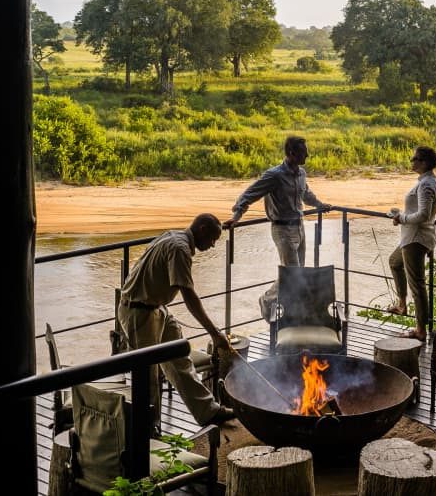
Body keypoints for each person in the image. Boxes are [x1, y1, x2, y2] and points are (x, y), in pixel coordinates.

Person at [117, 213, 236, 426]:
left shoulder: (175, 236)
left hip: (155, 307)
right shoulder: (180, 249)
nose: (213, 245)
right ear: (202, 229)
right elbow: (189, 296)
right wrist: (215, 333)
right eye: (212, 239)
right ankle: (149, 431)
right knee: (149, 378)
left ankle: (208, 411)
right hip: (138, 311)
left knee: (180, 358)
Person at [224, 135, 332, 317]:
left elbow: (306, 194)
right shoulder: (274, 175)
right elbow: (249, 194)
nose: (308, 155)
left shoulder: (301, 174)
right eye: (304, 152)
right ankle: (268, 301)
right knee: (294, 275)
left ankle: (290, 311)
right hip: (282, 230)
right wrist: (236, 217)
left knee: (295, 273)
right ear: (291, 153)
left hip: (299, 228)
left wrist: (320, 205)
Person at [386, 146, 436, 341]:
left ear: (424, 162)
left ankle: (420, 330)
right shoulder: (425, 181)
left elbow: (424, 215)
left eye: (415, 159)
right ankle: (402, 304)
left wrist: (401, 218)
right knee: (395, 262)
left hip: (416, 239)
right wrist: (400, 215)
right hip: (410, 237)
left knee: (417, 285)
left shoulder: (427, 184)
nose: (412, 161)